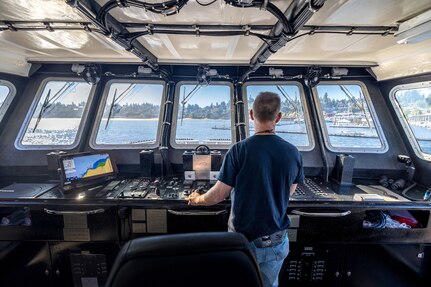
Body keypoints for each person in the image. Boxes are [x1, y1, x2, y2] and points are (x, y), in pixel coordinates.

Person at [188, 91, 304, 287]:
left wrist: (197, 199)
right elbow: (290, 191)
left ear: (251, 115)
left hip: (244, 240)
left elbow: (218, 195)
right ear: (278, 117)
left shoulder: (239, 150)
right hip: (277, 239)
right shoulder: (293, 152)